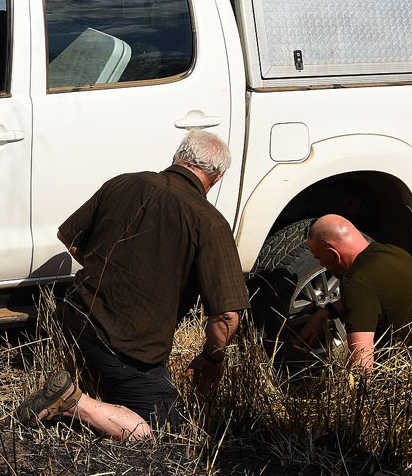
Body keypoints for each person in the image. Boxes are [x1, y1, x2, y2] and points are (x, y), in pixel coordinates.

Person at [14, 131, 249, 441]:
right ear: (217, 178)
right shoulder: (209, 222)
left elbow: (70, 238)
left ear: (177, 157)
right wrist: (212, 358)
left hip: (75, 315)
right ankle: (73, 401)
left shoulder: (122, 183)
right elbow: (227, 316)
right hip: (126, 349)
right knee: (161, 435)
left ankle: (90, 387)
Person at [300, 215, 412, 372]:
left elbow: (362, 368)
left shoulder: (355, 281)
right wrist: (325, 313)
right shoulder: (393, 252)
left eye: (319, 258)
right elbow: (374, 295)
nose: (321, 264)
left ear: (333, 253)